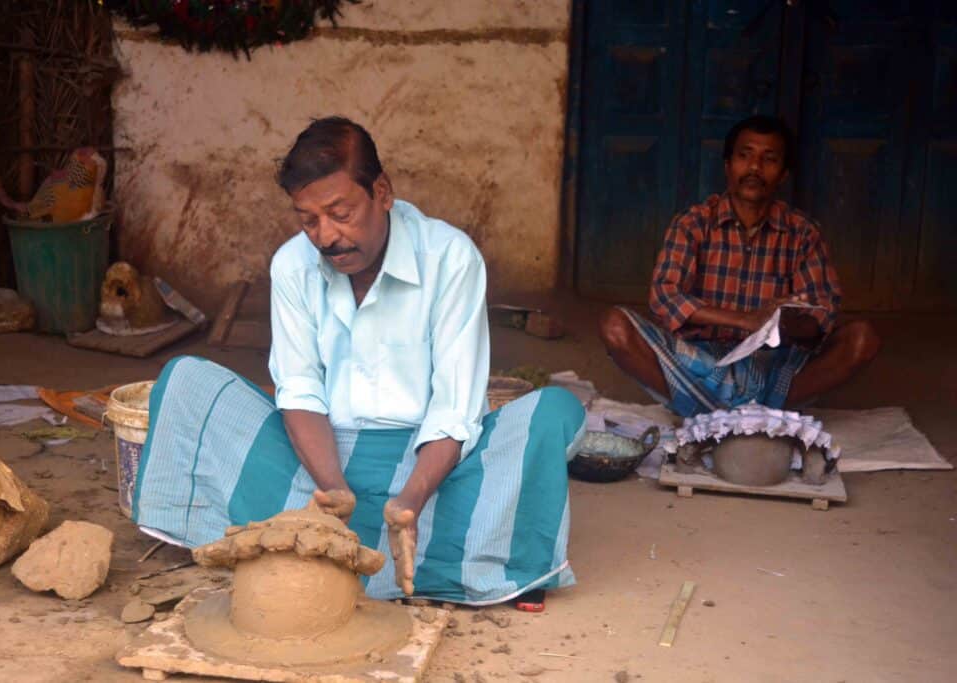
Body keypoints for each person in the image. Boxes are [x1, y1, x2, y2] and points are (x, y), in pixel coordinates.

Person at [132, 117, 586, 605]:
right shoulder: (292, 264)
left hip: (429, 464)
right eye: (309, 220)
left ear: (383, 193)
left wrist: (410, 502)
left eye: (340, 213)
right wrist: (333, 491)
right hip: (319, 462)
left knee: (555, 412)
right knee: (186, 381)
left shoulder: (450, 257)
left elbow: (455, 407)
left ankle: (334, 545)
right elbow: (300, 389)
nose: (326, 236)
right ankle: (423, 553)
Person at [599, 115, 880, 417]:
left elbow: (820, 317)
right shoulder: (693, 223)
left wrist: (781, 323)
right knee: (615, 326)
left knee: (862, 338)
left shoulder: (803, 233)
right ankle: (740, 418)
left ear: (783, 174)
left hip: (771, 363)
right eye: (745, 156)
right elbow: (665, 296)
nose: (755, 168)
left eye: (769, 159)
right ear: (727, 166)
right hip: (699, 359)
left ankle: (717, 413)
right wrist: (745, 320)